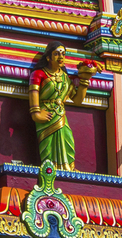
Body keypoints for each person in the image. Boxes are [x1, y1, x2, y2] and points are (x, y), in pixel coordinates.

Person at [28, 41, 97, 171]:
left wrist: (84, 82)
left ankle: (68, 168)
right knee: (48, 145)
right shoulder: (39, 74)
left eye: (63, 54)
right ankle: (49, 169)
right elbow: (34, 93)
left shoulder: (65, 77)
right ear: (48, 57)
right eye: (57, 54)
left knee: (68, 140)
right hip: (46, 115)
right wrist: (36, 113)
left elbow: (77, 101)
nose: (61, 57)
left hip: (61, 116)